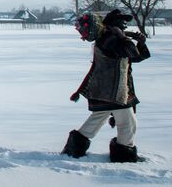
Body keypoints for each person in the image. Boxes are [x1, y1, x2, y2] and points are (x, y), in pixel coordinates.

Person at [62, 9, 151, 162]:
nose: (124, 25)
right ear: (113, 24)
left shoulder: (110, 37)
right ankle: (123, 154)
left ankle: (74, 148)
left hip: (106, 90)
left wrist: (141, 43)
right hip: (113, 91)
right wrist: (124, 37)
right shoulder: (110, 38)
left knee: (98, 118)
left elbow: (135, 57)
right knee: (128, 123)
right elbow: (131, 52)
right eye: (121, 22)